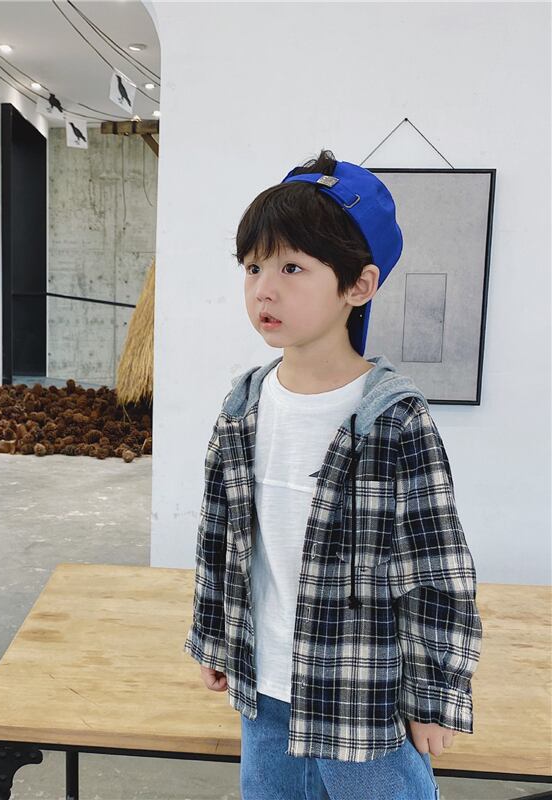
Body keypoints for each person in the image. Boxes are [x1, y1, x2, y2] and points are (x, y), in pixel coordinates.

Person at [183, 150, 482, 800]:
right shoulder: (242, 407)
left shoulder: (394, 420)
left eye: (292, 268)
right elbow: (220, 538)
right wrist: (213, 637)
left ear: (359, 286)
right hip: (265, 691)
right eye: (253, 267)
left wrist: (435, 694)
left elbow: (437, 570)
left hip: (363, 701)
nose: (265, 289)